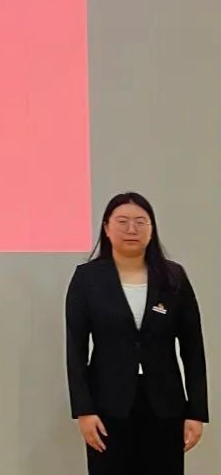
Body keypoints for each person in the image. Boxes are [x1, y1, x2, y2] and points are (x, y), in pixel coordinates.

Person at [65, 191, 208, 474]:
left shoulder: (173, 277)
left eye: (141, 222)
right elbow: (75, 350)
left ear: (151, 229)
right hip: (108, 406)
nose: (132, 229)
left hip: (165, 405)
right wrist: (84, 410)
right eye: (122, 221)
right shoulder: (87, 279)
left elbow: (193, 349)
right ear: (106, 228)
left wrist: (196, 412)